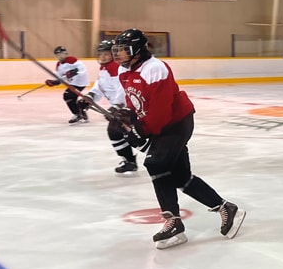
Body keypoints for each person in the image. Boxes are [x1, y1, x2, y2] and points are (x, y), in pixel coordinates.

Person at [109, 28, 245, 249]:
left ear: (137, 49)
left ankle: (173, 222)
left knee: (155, 163)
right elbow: (138, 102)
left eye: (123, 50)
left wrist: (140, 131)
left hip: (176, 123)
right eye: (118, 50)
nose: (119, 54)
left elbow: (161, 110)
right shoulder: (125, 73)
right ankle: (226, 208)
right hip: (161, 124)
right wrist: (130, 117)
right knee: (181, 177)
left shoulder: (155, 69)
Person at [77, 40, 139, 174]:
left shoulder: (118, 68)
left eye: (106, 54)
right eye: (101, 54)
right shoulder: (105, 69)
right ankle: (129, 161)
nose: (103, 57)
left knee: (119, 130)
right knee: (117, 131)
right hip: (121, 107)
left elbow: (124, 89)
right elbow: (100, 87)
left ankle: (135, 160)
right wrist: (90, 97)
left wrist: (117, 106)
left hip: (132, 106)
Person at [45, 45, 91, 124]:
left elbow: (82, 69)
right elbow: (59, 78)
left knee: (68, 95)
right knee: (70, 97)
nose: (59, 56)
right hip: (73, 83)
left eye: (61, 54)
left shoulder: (72, 60)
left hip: (80, 82)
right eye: (57, 55)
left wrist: (74, 72)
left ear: (65, 53)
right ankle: (81, 111)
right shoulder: (59, 65)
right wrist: (53, 82)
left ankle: (78, 114)